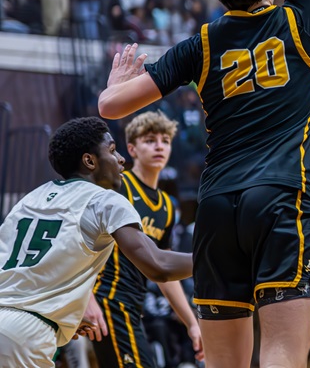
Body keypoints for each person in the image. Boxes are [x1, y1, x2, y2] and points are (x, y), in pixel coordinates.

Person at [96, 0, 310, 368]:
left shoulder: (199, 44)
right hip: (280, 197)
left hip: (217, 207)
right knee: (281, 351)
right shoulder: (298, 19)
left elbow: (110, 109)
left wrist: (114, 83)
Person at [0, 117, 192, 368]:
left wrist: (64, 309)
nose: (121, 159)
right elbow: (158, 265)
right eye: (112, 151)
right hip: (26, 336)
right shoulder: (106, 200)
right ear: (90, 161)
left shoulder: (30, 199)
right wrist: (217, 256)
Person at [91, 111, 203, 367]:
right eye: (150, 140)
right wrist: (86, 299)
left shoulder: (167, 205)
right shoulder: (119, 187)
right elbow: (80, 241)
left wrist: (191, 322)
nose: (159, 146)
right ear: (131, 148)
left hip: (133, 305)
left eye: (165, 140)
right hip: (107, 299)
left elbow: (163, 271)